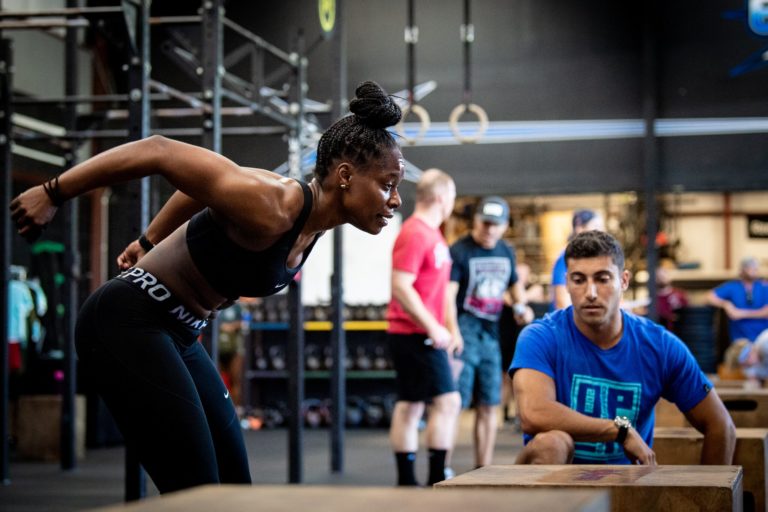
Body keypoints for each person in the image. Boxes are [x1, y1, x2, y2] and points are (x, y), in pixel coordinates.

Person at [10, 81, 405, 493]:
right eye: (387, 183)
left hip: (178, 333)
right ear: (345, 176)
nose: (395, 200)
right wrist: (53, 192)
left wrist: (149, 241)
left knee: (233, 486)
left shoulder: (309, 226)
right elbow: (159, 150)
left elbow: (198, 190)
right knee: (197, 490)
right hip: (126, 321)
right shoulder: (273, 203)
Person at [511, 230, 736, 465]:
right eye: (579, 280)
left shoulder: (659, 345)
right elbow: (533, 413)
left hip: (629, 487)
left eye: (602, 278)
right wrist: (619, 429)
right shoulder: (541, 337)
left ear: (624, 281)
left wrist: (711, 497)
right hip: (559, 489)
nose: (591, 293)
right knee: (552, 443)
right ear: (567, 282)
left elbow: (721, 426)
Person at [386, 168, 462, 487]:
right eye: (453, 199)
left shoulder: (434, 235)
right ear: (443, 198)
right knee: (447, 402)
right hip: (412, 334)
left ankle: (410, 482)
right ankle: (434, 478)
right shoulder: (416, 232)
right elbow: (401, 286)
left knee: (412, 405)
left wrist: (450, 327)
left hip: (421, 334)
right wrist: (434, 328)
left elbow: (440, 290)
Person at [447, 196, 531, 468]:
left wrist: (521, 306)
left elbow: (514, 285)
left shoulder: (506, 251)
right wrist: (452, 332)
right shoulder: (460, 251)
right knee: (454, 404)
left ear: (505, 225)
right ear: (475, 221)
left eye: (496, 225)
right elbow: (448, 296)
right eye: (485, 224)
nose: (489, 230)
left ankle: (483, 468)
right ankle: (442, 467)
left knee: (489, 404)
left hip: (490, 337)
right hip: (464, 332)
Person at [550, 209, 604, 310]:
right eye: (596, 227)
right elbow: (561, 303)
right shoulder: (565, 259)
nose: (600, 233)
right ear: (580, 228)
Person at [707, 257, 768, 344]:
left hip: (762, 339)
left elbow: (766, 312)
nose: (754, 270)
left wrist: (741, 314)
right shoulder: (733, 286)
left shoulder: (764, 286)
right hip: (739, 340)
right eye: (750, 267)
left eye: (755, 267)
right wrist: (726, 304)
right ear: (742, 270)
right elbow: (709, 297)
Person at [655, 261, 688, 331]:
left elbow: (686, 316)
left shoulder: (679, 295)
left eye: (664, 273)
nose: (661, 277)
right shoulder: (652, 298)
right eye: (658, 275)